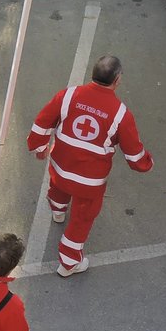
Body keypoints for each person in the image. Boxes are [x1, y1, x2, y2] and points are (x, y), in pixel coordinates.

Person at [26, 54, 153, 278]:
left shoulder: (68, 95)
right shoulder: (120, 113)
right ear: (118, 79)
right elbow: (134, 156)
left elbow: (42, 121)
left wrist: (39, 147)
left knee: (58, 188)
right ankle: (69, 262)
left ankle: (57, 210)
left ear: (92, 74)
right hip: (89, 181)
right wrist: (146, 163)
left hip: (61, 164)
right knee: (82, 217)